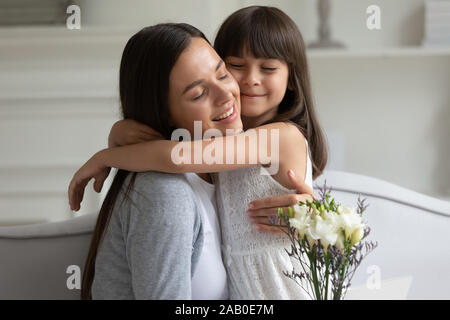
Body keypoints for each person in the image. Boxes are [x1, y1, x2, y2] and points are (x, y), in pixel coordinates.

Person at [70, 6, 326, 299]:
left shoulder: (264, 141)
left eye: (221, 74)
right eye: (198, 93)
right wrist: (120, 134)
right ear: (162, 113)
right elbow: (174, 155)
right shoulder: (170, 187)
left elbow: (174, 155)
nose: (240, 86)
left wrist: (107, 154)